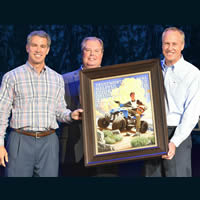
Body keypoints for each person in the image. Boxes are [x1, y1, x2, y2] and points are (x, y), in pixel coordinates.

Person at [0, 30, 83, 177]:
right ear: (27, 47)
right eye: (34, 45)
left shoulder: (56, 79)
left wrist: (71, 115)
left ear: (48, 50)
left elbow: (59, 111)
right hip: (20, 140)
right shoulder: (12, 77)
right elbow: (2, 112)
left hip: (49, 142)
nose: (38, 50)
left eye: (42, 46)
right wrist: (0, 144)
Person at [143, 27, 200, 177]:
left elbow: (192, 114)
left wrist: (174, 142)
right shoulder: (151, 70)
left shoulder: (193, 74)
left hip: (178, 134)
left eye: (174, 44)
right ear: (162, 45)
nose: (170, 48)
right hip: (153, 134)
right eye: (166, 43)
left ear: (182, 45)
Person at [59, 37, 119, 176]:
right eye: (88, 50)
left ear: (102, 54)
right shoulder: (64, 80)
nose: (92, 54)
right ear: (82, 53)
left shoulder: (114, 80)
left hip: (107, 149)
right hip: (73, 149)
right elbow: (57, 111)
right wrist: (71, 115)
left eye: (96, 50)